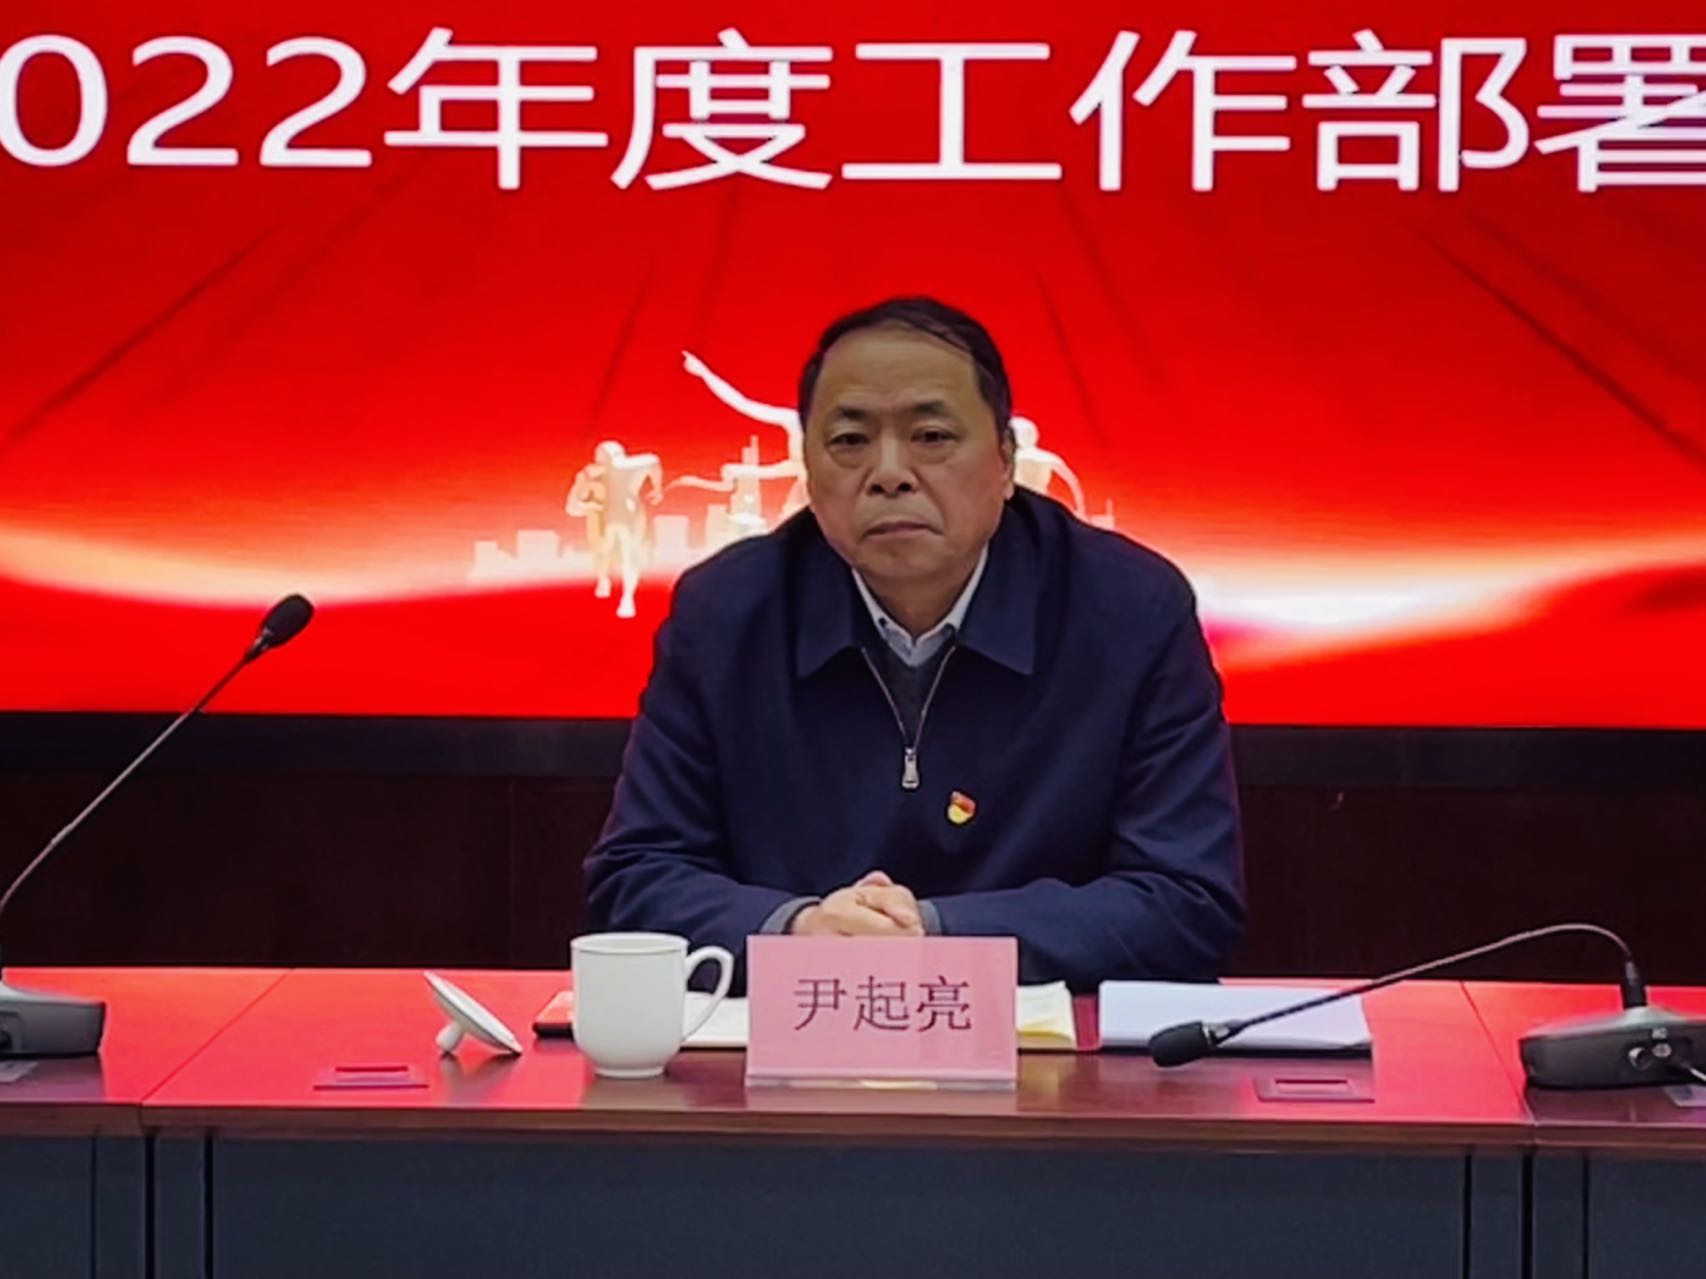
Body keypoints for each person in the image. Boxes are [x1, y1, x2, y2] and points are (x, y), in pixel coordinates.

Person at [583, 298, 1243, 988]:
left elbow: (1188, 899)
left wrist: (936, 934)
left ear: (1006, 460)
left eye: (931, 436)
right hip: (792, 1034)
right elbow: (636, 878)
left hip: (1047, 1048)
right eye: (850, 441)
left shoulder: (1129, 612)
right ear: (806, 468)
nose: (889, 472)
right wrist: (800, 931)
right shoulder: (726, 614)